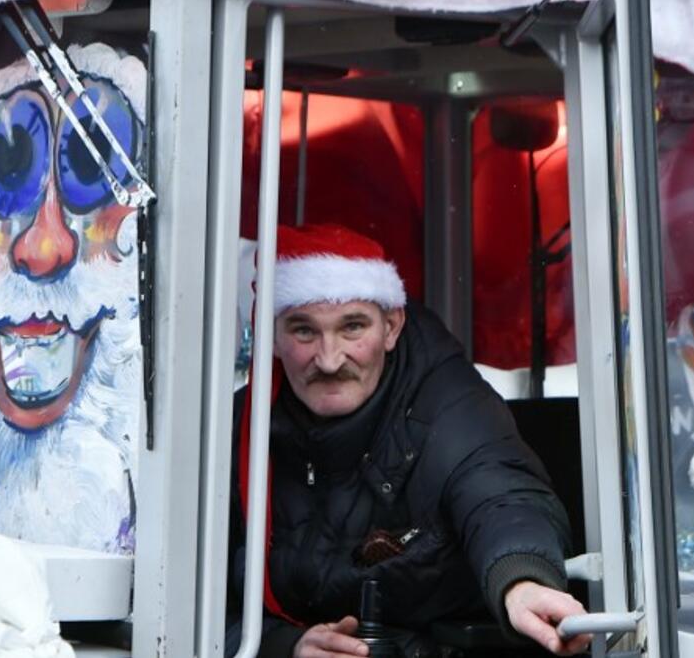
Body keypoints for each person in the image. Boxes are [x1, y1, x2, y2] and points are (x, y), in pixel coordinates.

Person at [241, 224, 588, 658]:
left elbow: (498, 489)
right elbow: (197, 594)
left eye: (352, 328)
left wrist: (519, 580)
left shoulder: (445, 399)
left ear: (392, 327)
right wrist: (285, 646)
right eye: (304, 331)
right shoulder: (241, 429)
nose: (328, 360)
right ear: (272, 335)